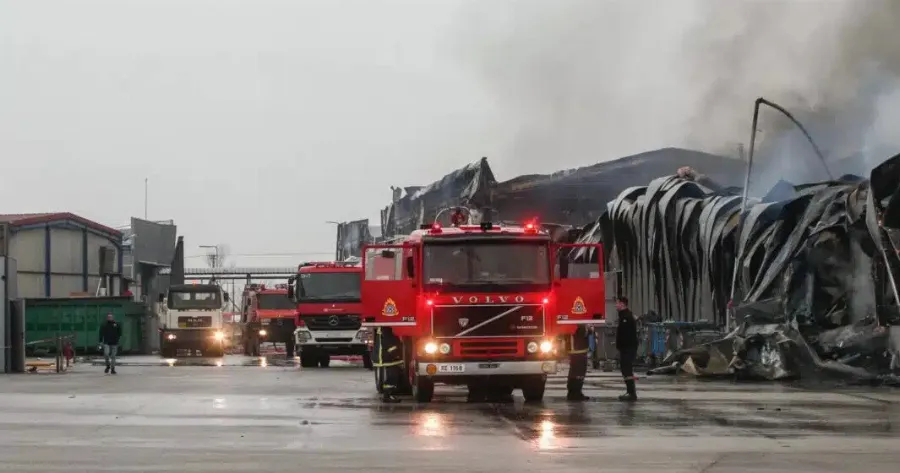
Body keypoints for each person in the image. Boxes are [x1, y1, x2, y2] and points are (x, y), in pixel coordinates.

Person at [615, 297, 638, 401]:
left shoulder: (626, 317)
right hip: (626, 348)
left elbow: (626, 335)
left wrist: (622, 345)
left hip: (628, 348)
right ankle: (630, 392)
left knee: (627, 369)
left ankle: (631, 393)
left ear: (622, 304)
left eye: (617, 303)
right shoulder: (624, 316)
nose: (616, 305)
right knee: (625, 370)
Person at [375, 327, 403, 403]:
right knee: (392, 377)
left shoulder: (384, 329)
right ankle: (387, 396)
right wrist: (396, 353)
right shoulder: (386, 330)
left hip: (388, 357)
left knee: (393, 376)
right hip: (388, 358)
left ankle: (388, 395)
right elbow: (389, 343)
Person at [566, 325, 590, 401]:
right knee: (577, 372)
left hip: (578, 349)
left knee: (577, 372)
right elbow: (581, 332)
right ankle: (574, 393)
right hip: (577, 349)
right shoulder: (576, 323)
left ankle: (576, 392)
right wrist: (589, 330)